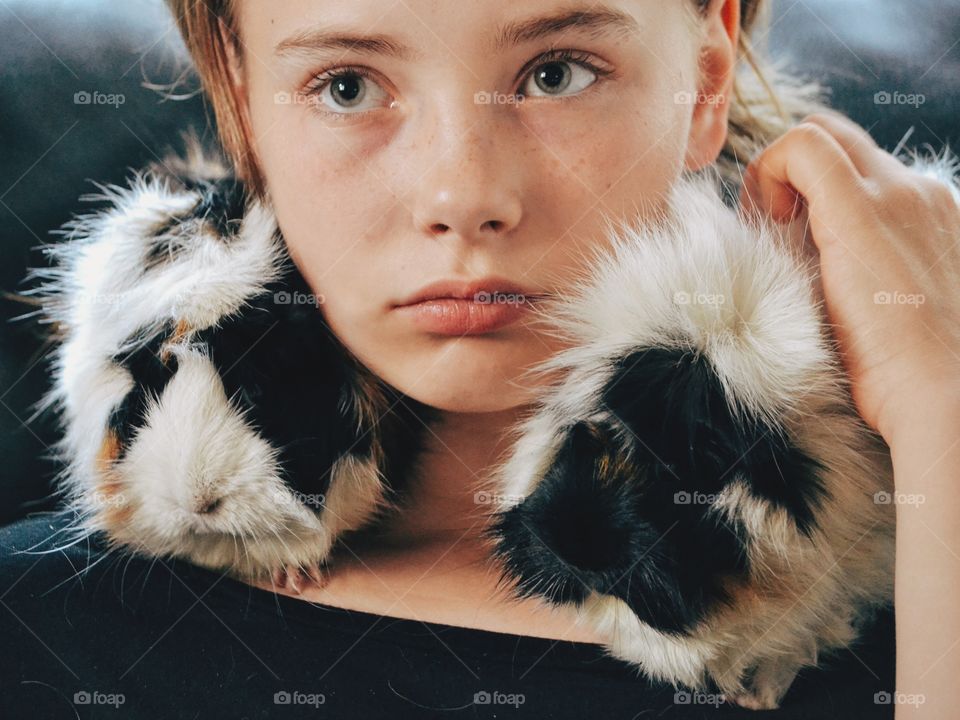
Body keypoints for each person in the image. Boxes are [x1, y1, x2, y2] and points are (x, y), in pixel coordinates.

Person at [1, 1, 958, 718]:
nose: (463, 193)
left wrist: (938, 404)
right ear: (244, 110)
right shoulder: (38, 631)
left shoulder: (917, 601)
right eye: (348, 86)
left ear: (703, 78)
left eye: (558, 73)